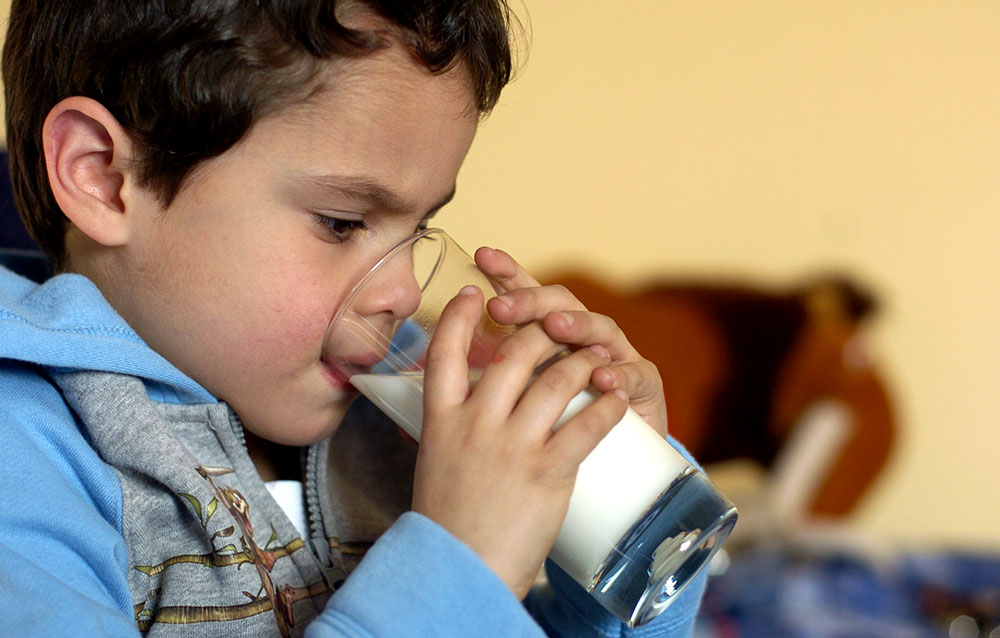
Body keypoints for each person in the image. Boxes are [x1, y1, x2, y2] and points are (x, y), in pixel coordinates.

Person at [0, 1, 707, 636]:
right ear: (103, 177)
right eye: (342, 222)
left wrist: (619, 530)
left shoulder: (401, 423)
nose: (403, 289)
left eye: (418, 228)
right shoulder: (26, 458)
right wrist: (460, 567)